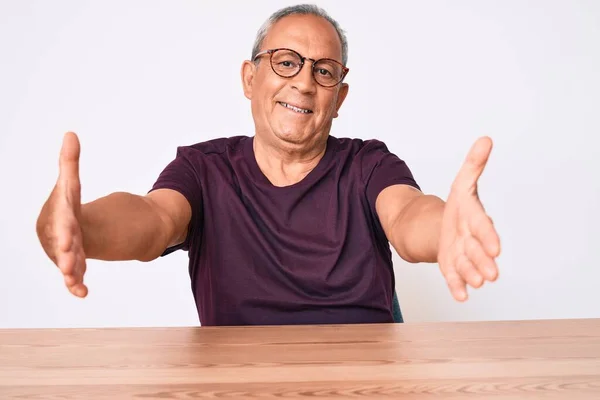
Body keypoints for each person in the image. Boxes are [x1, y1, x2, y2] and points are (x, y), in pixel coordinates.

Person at [36, 4, 501, 326]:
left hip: (365, 380)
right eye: (285, 63)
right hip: (241, 381)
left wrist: (448, 229)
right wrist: (81, 226)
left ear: (338, 97)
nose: (303, 83)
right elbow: (154, 217)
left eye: (323, 71)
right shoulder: (205, 168)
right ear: (249, 77)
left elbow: (406, 216)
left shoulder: (368, 164)